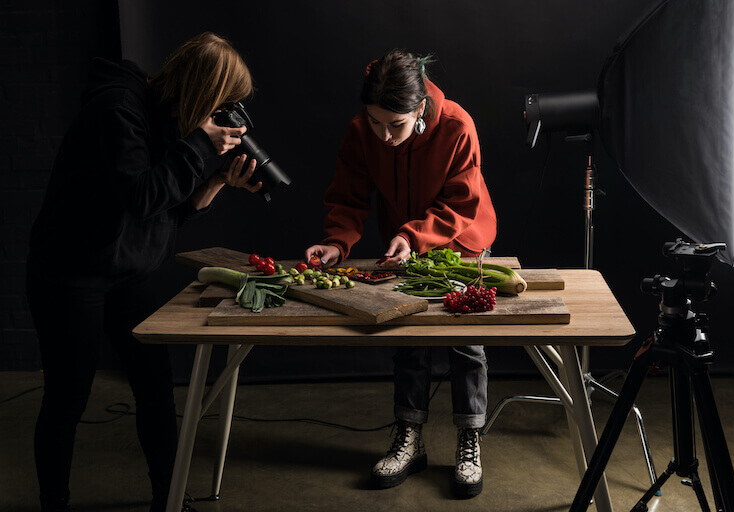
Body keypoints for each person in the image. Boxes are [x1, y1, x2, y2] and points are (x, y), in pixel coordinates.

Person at [26, 32, 261, 512]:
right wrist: (199, 144)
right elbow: (142, 195)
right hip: (71, 272)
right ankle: (55, 503)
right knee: (68, 398)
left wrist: (216, 178)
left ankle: (169, 500)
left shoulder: (165, 121)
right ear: (202, 91)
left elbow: (166, 211)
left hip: (126, 272)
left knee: (155, 389)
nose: (221, 116)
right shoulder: (118, 109)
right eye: (221, 104)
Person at [304, 49, 497, 498]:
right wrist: (336, 241)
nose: (385, 136)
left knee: (465, 343)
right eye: (376, 123)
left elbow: (461, 204)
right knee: (408, 337)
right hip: (404, 248)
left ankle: (469, 440)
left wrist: (412, 235)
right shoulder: (361, 131)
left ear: (421, 111)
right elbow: (349, 197)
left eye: (396, 125)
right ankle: (409, 438)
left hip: (460, 243)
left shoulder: (456, 126)